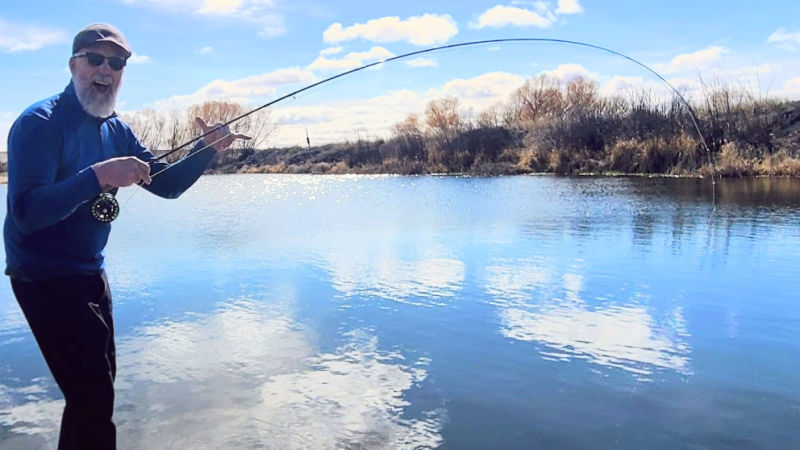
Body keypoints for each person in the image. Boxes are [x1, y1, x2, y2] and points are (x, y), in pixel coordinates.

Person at [3, 24, 249, 449]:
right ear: (73, 65)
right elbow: (27, 214)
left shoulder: (117, 128)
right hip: (41, 276)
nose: (105, 70)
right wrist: (98, 176)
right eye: (94, 59)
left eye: (116, 63)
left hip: (90, 273)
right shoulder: (38, 124)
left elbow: (165, 184)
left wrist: (205, 148)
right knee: (93, 395)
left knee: (92, 393)